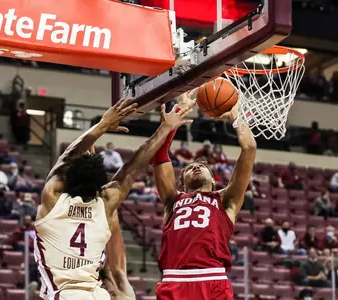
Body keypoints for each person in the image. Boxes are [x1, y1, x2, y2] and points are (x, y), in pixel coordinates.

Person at [34, 98, 193, 300]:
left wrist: (102, 125)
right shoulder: (104, 202)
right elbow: (132, 169)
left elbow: (66, 157)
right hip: (97, 295)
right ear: (101, 184)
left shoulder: (53, 196)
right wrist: (166, 127)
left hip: (64, 294)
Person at [151, 92, 257, 300]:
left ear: (214, 181)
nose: (197, 166)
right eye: (191, 168)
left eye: (202, 166)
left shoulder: (226, 200)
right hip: (174, 280)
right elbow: (159, 155)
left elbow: (249, 148)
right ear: (182, 182)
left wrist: (237, 117)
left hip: (212, 280)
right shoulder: (173, 200)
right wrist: (177, 113)